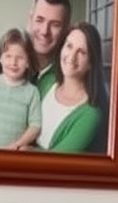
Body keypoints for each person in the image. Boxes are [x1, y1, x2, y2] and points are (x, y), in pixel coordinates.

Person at [0, 0, 71, 91]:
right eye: (39, 20)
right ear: (30, 19)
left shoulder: (70, 68)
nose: (44, 31)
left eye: (55, 24)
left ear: (66, 29)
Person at [37, 22, 106, 155]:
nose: (71, 56)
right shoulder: (46, 82)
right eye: (69, 46)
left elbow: (56, 162)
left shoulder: (90, 115)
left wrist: (26, 150)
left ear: (91, 63)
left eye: (81, 52)